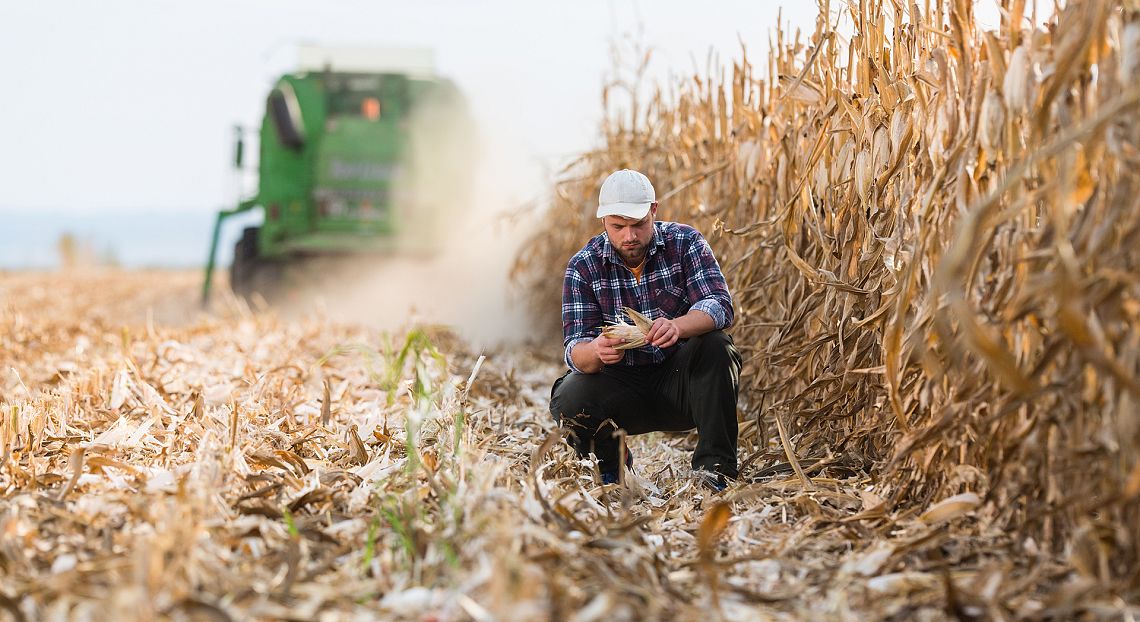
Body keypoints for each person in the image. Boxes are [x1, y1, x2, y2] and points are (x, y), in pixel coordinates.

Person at [548, 169, 742, 491]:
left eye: (638, 224)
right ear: (603, 221)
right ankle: (613, 469)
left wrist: (678, 326)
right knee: (569, 395)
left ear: (654, 210)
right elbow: (574, 349)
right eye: (618, 226)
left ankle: (715, 469)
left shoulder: (685, 243)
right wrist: (595, 350)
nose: (629, 237)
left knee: (717, 347)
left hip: (682, 383)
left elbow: (719, 305)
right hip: (622, 388)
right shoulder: (583, 267)